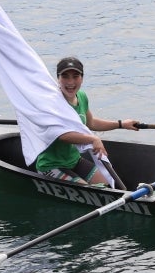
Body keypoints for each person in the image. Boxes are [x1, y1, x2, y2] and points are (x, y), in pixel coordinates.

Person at [33, 56, 143, 185]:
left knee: (106, 185)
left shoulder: (82, 96)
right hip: (51, 166)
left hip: (74, 160)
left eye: (75, 76)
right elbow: (62, 136)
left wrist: (121, 124)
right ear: (58, 78)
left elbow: (91, 123)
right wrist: (93, 139)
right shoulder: (53, 103)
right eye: (65, 76)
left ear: (82, 78)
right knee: (89, 190)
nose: (70, 82)